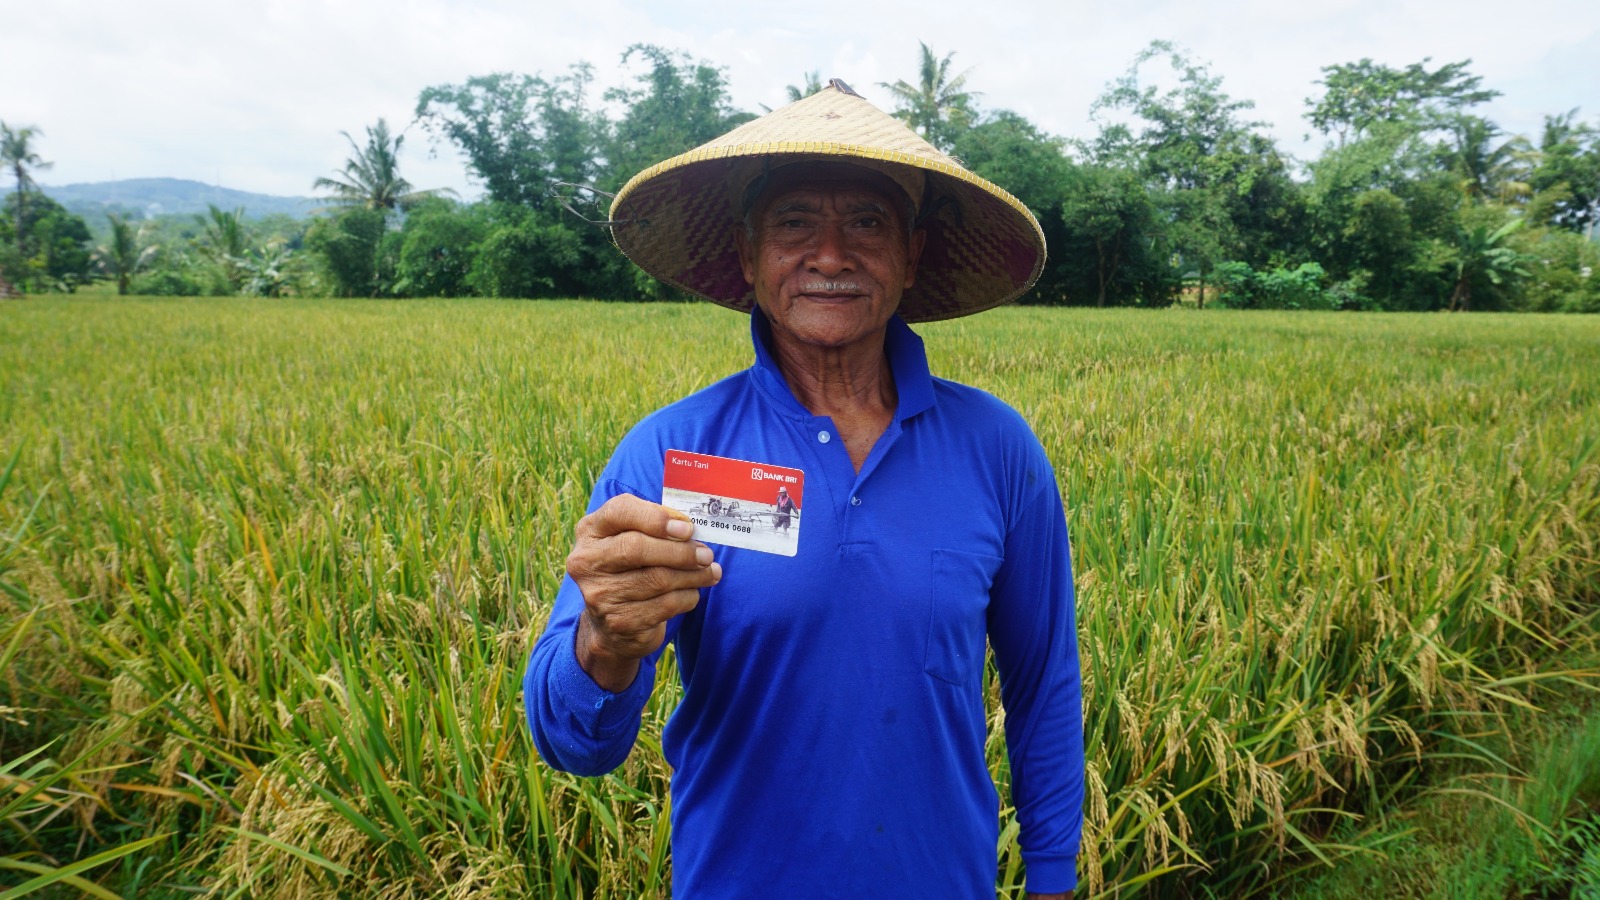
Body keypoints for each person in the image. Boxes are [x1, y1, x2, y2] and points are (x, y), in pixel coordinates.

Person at [524, 80, 1083, 898]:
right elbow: (576, 744)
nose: (830, 255)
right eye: (794, 224)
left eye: (866, 222)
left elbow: (1043, 682)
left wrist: (1054, 877)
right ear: (748, 257)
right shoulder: (673, 452)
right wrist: (604, 643)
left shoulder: (996, 448)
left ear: (911, 255)